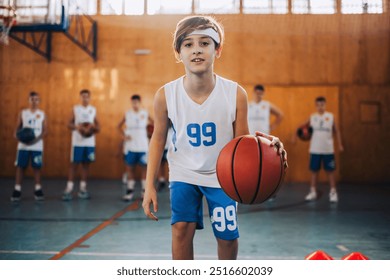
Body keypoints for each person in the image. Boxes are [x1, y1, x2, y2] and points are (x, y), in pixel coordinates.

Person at [142, 15, 287, 260]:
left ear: (217, 49)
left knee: (227, 238)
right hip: (183, 171)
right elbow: (158, 140)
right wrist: (149, 186)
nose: (196, 50)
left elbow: (242, 143)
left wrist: (266, 148)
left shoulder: (235, 93)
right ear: (178, 53)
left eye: (205, 43)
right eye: (188, 44)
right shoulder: (165, 95)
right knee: (180, 231)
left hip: (224, 175)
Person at [295, 96, 343, 203]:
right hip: (315, 149)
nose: (320, 107)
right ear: (316, 106)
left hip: (328, 149)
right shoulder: (312, 117)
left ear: (325, 105)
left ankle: (333, 192)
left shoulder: (330, 116)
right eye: (318, 105)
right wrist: (296, 135)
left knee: (330, 171)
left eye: (322, 105)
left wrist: (339, 144)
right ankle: (313, 191)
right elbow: (301, 127)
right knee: (314, 171)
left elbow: (337, 131)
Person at [62, 89, 100, 201]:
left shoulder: (93, 110)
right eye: (83, 96)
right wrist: (77, 127)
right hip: (77, 142)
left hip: (89, 142)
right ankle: (69, 189)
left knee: (86, 165)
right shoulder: (75, 109)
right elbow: (68, 124)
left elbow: (98, 128)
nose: (85, 98)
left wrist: (93, 127)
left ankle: (83, 189)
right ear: (80, 97)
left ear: (89, 98)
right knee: (74, 165)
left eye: (87, 96)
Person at [11, 91, 47, 202]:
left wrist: (35, 140)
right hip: (23, 145)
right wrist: (18, 137)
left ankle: (38, 189)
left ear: (39, 101)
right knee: (21, 167)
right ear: (28, 101)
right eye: (32, 99)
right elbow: (16, 129)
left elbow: (45, 131)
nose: (34, 102)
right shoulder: (23, 113)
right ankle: (17, 190)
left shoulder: (42, 114)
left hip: (37, 145)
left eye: (36, 99)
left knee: (37, 167)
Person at [118, 94, 152, 201]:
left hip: (143, 147)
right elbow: (118, 127)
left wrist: (150, 134)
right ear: (131, 102)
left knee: (144, 170)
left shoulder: (145, 113)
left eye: (136, 102)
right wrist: (123, 136)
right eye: (133, 102)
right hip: (130, 146)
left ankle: (144, 192)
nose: (135, 104)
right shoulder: (127, 114)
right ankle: (129, 191)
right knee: (129, 169)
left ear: (140, 102)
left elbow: (155, 125)